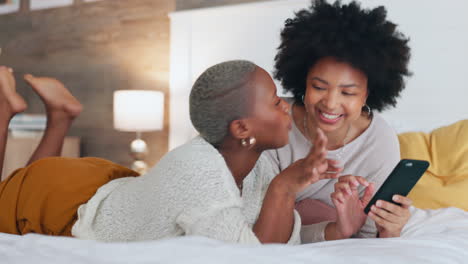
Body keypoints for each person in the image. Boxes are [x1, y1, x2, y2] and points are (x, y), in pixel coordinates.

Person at [0, 61, 341, 244]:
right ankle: (7, 111)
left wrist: (286, 188)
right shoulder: (197, 167)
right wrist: (285, 187)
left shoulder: (260, 166)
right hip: (61, 201)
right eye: (274, 100)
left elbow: (279, 247)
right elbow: (245, 258)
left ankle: (58, 117)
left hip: (101, 186)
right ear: (241, 129)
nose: (286, 105)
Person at [264, 0, 413, 242]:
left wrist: (389, 230)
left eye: (348, 92)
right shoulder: (272, 119)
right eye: (319, 87)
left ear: (368, 94)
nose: (331, 104)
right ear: (303, 80)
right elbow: (255, 225)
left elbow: (365, 237)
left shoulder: (379, 142)